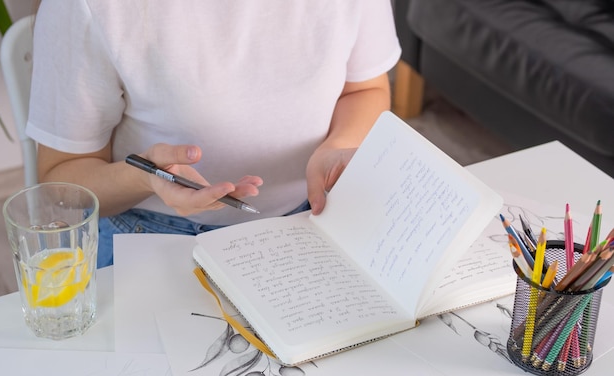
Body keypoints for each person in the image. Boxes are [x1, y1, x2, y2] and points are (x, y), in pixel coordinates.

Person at [26, 0, 401, 267]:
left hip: (311, 221)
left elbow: (364, 89)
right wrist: (147, 179)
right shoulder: (87, 7)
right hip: (153, 235)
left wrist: (339, 144)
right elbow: (62, 180)